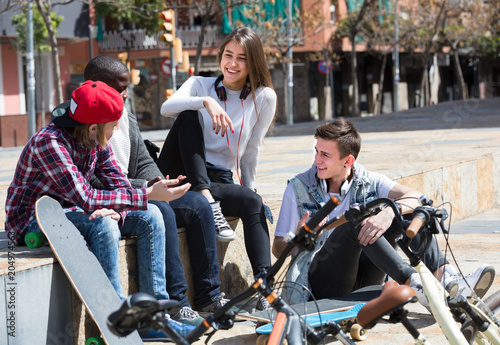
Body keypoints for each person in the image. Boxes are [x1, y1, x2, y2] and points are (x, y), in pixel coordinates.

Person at [50, 54, 233, 325]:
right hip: (112, 199)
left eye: (127, 88)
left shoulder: (126, 116)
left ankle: (208, 296)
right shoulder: (83, 123)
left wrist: (159, 183)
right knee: (160, 211)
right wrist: (147, 191)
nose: (126, 95)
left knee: (198, 205)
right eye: (119, 88)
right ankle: (177, 304)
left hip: (130, 191)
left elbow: (141, 162)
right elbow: (94, 184)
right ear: (95, 86)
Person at [5, 81, 195, 340]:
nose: (117, 130)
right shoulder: (49, 143)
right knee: (103, 224)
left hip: (75, 211)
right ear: (94, 127)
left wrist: (121, 209)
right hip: (34, 220)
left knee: (152, 215)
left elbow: (117, 182)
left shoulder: (94, 139)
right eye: (114, 125)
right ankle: (120, 320)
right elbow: (87, 197)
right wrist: (145, 194)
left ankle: (151, 318)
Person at [273, 119, 495, 307]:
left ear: (348, 161)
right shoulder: (298, 188)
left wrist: (390, 211)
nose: (317, 160)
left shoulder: (369, 180)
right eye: (316, 152)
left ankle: (446, 277)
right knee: (354, 220)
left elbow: (417, 196)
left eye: (325, 155)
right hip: (321, 281)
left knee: (404, 212)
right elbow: (277, 247)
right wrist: (299, 240)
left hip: (368, 276)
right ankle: (415, 284)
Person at [157, 27, 277, 310]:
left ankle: (265, 290)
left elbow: (251, 151)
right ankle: (206, 199)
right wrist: (206, 102)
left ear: (254, 63)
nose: (232, 64)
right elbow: (166, 107)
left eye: (241, 58)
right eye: (227, 55)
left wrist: (251, 191)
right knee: (186, 116)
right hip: (180, 172)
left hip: (217, 177)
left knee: (253, 202)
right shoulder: (200, 84)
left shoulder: (263, 97)